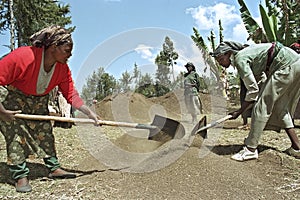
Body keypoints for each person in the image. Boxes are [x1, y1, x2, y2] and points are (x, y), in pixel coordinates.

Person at [0, 25, 100, 192]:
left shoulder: (62, 69)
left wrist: (89, 113)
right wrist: (1, 111)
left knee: (45, 130)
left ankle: (54, 168)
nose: (70, 55)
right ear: (54, 47)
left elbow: (71, 94)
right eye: (67, 50)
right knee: (15, 132)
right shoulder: (24, 56)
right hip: (13, 97)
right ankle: (20, 176)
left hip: (38, 100)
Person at [210, 41, 300, 161]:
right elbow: (259, 82)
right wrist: (243, 108)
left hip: (286, 65)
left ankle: (250, 149)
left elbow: (253, 91)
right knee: (280, 108)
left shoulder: (240, 58)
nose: (220, 63)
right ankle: (296, 147)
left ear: (229, 53)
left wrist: (239, 111)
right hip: (295, 63)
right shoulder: (249, 56)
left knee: (261, 107)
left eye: (221, 59)